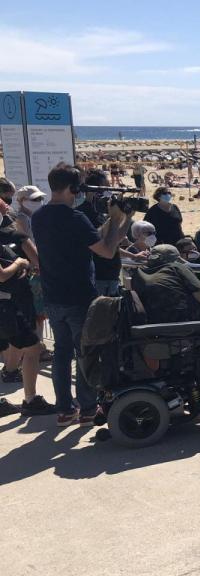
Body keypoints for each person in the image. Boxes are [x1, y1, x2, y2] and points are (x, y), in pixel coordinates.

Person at [32, 164, 133, 426]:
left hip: (53, 296)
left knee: (61, 354)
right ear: (73, 189)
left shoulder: (39, 217)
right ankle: (88, 409)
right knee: (85, 354)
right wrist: (115, 219)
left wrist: (116, 220)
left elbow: (91, 239)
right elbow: (107, 252)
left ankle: (65, 409)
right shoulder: (75, 218)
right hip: (78, 296)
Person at [0, 239, 55, 418]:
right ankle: (31, 401)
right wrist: (19, 263)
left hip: (8, 305)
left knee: (28, 347)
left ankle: (29, 399)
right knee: (34, 349)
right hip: (5, 306)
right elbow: (1, 276)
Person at [132, 245, 200, 324]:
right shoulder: (177, 267)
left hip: (149, 325)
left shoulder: (138, 272)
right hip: (184, 325)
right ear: (176, 258)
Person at [79, 169, 124, 297]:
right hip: (97, 276)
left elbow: (118, 239)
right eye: (106, 186)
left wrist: (126, 216)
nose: (109, 190)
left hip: (112, 274)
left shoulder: (104, 211)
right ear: (94, 189)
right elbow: (97, 240)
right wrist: (113, 219)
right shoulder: (82, 213)